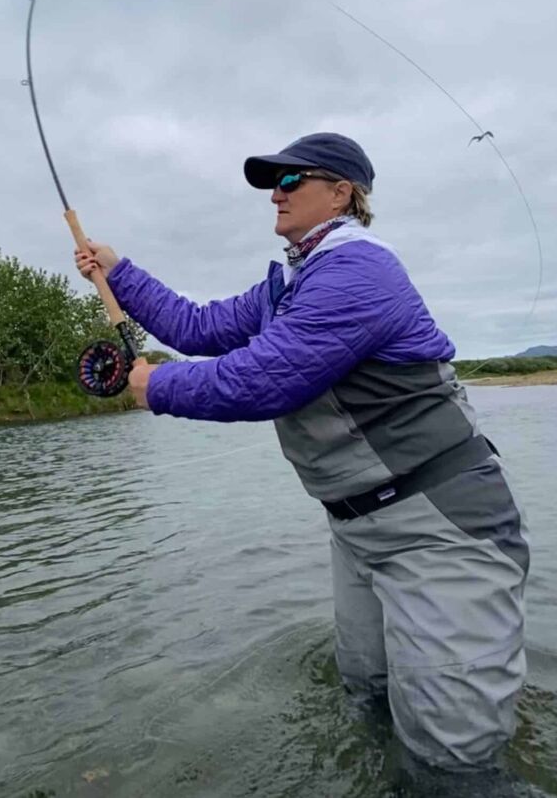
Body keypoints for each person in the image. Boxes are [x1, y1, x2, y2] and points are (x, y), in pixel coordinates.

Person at [74, 132, 530, 773]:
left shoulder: (358, 269)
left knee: (454, 757)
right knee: (367, 698)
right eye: (271, 184)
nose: (275, 195)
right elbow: (197, 327)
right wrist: (118, 272)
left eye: (291, 181)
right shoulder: (289, 284)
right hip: (358, 530)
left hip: (440, 530)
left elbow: (265, 379)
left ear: (342, 192)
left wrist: (154, 385)